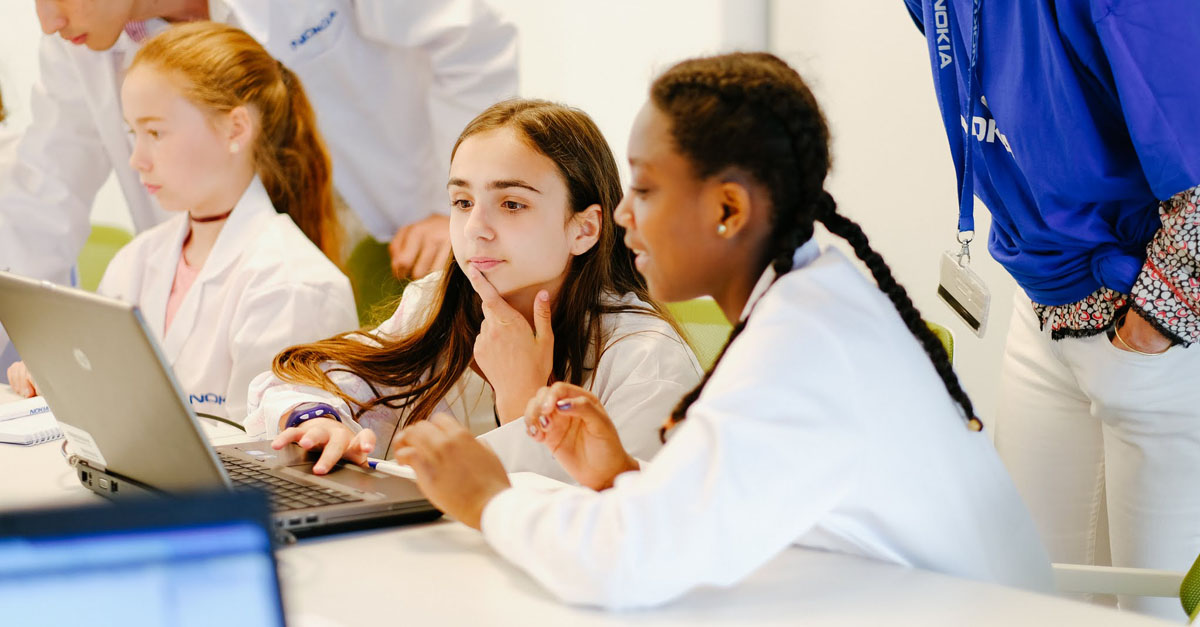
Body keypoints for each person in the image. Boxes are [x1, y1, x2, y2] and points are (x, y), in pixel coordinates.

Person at [376, 52, 1053, 609]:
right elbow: (708, 515)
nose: (621, 218)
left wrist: (489, 498)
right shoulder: (806, 297)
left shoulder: (803, 342)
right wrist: (620, 477)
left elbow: (624, 565)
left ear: (728, 209)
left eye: (643, 191)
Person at [0, 0, 517, 378]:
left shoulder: (298, 282)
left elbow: (472, 39)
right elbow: (42, 197)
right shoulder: (80, 47)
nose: (49, 21)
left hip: (400, 221)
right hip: (233, 245)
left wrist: (451, 205)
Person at [904, 1, 1200, 615]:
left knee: (1159, 613)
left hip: (1156, 329)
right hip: (1042, 305)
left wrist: (1151, 329)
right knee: (1029, 603)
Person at [244, 99, 702, 481]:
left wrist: (522, 402)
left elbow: (611, 525)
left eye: (511, 203)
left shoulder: (645, 358)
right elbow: (306, 379)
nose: (476, 228)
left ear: (584, 229)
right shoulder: (438, 300)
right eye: (462, 202)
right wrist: (316, 421)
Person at [6, 22, 357, 425]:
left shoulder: (295, 285)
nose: (137, 159)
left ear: (235, 129)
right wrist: (59, 378)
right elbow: (111, 393)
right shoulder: (135, 260)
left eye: (155, 132)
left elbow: (273, 455)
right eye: (132, 133)